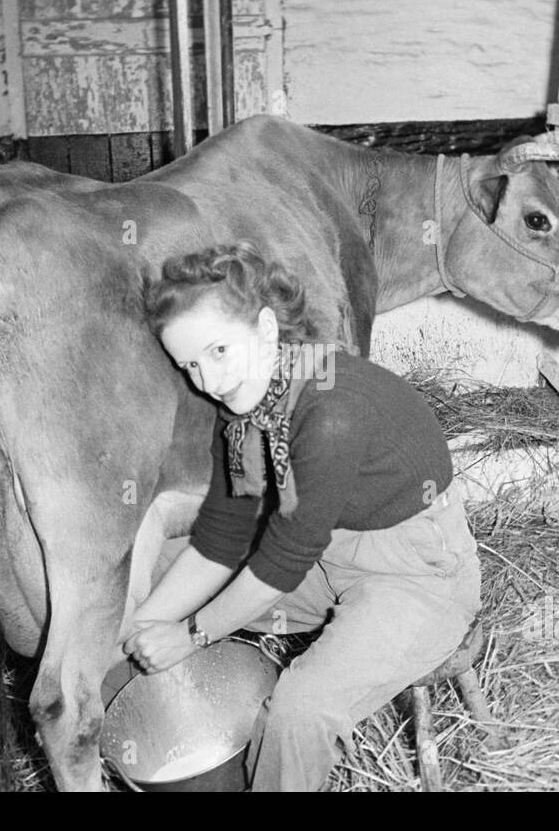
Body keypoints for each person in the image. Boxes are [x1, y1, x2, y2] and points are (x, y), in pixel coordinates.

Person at [123, 240, 482, 792]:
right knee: (156, 570)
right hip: (329, 552)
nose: (209, 382)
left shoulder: (331, 409)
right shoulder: (248, 413)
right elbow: (222, 537)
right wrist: (140, 625)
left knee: (299, 709)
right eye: (190, 365)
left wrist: (189, 635)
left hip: (417, 573)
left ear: (267, 328)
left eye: (219, 351)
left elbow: (281, 562)